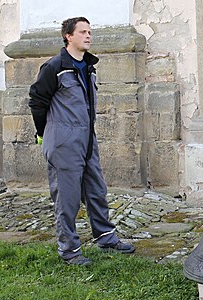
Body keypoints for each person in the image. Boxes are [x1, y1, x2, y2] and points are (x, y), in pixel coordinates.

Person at [29, 17, 135, 266]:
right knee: (67, 198)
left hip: (87, 140)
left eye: (90, 31)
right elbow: (37, 101)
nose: (88, 36)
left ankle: (106, 237)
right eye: (83, 32)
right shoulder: (55, 67)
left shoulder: (88, 67)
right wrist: (45, 132)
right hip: (63, 142)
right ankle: (69, 250)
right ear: (68, 36)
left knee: (96, 191)